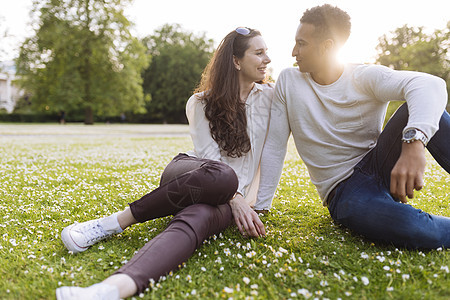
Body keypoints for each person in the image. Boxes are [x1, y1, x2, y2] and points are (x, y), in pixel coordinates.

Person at [56, 27, 273, 300]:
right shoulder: (201, 102)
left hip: (220, 201)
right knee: (224, 176)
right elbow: (209, 159)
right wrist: (238, 197)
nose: (267, 59)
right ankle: (115, 222)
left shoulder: (272, 99)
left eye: (267, 52)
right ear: (236, 61)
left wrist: (249, 200)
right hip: (192, 173)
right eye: (259, 52)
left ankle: (109, 290)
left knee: (199, 217)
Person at [255, 4, 450, 249]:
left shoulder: (364, 76)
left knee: (422, 105)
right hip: (345, 190)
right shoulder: (288, 81)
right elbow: (274, 146)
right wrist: (261, 206)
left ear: (327, 46)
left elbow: (430, 85)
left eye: (301, 43)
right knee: (415, 229)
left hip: (379, 161)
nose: (294, 51)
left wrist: (414, 142)